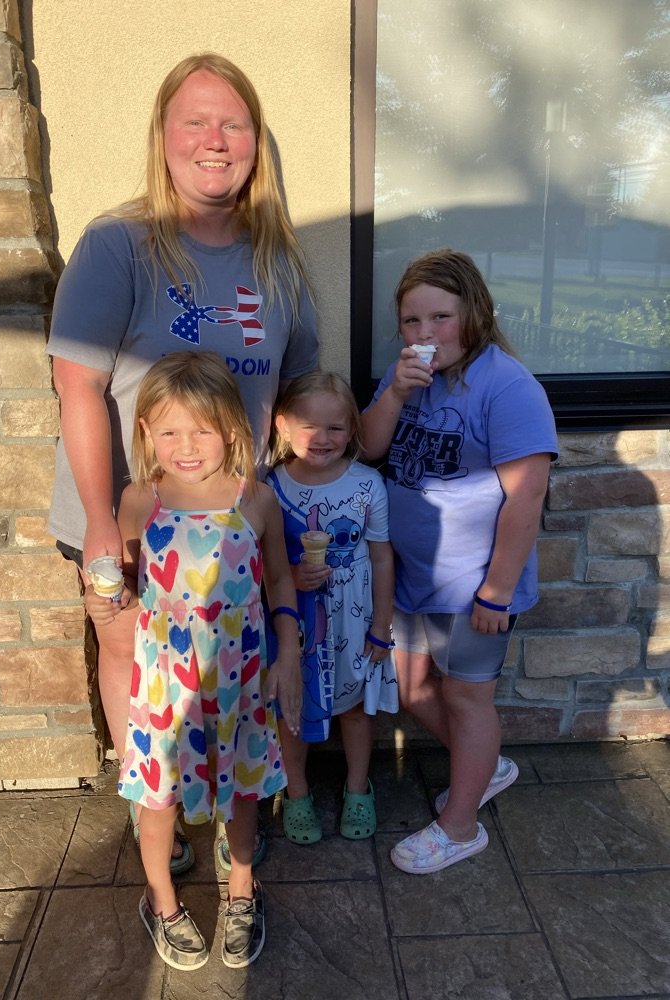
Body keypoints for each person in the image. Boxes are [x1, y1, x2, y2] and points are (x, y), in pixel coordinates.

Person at [46, 52, 318, 870]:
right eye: (194, 121)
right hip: (132, 515)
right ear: (162, 136)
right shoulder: (119, 243)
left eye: (233, 122)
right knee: (136, 664)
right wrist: (102, 523)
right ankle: (156, 812)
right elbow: (79, 388)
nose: (215, 139)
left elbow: (294, 386)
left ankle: (228, 804)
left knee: (229, 665)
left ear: (256, 140)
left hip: (232, 523)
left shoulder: (278, 258)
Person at [86, 351, 302, 969]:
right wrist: (106, 602)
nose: (186, 445)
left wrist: (287, 650)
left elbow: (281, 581)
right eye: (170, 430)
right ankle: (161, 901)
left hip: (239, 680)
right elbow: (123, 585)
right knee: (158, 801)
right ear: (147, 432)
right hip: (164, 686)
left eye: (202, 429)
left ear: (232, 428)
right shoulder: (138, 500)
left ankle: (240, 888)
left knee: (243, 791)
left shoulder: (254, 498)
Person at [361, 249, 558, 874]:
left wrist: (497, 591)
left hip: (473, 584)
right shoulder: (410, 380)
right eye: (412, 321)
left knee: (469, 700)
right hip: (412, 579)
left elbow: (526, 497)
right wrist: (393, 391)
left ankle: (461, 824)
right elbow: (368, 447)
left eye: (440, 318)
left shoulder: (507, 387)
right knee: (413, 687)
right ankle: (485, 767)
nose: (425, 334)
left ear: (475, 313)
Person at [265, 372, 397, 844]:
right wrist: (294, 578)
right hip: (295, 620)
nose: (322, 438)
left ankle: (359, 788)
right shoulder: (268, 488)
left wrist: (381, 625)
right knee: (292, 707)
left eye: (336, 428)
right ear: (281, 425)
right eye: (308, 426)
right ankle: (296, 792)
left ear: (353, 430)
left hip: (356, 615)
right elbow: (260, 562)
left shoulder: (367, 485)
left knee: (358, 707)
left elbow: (381, 555)